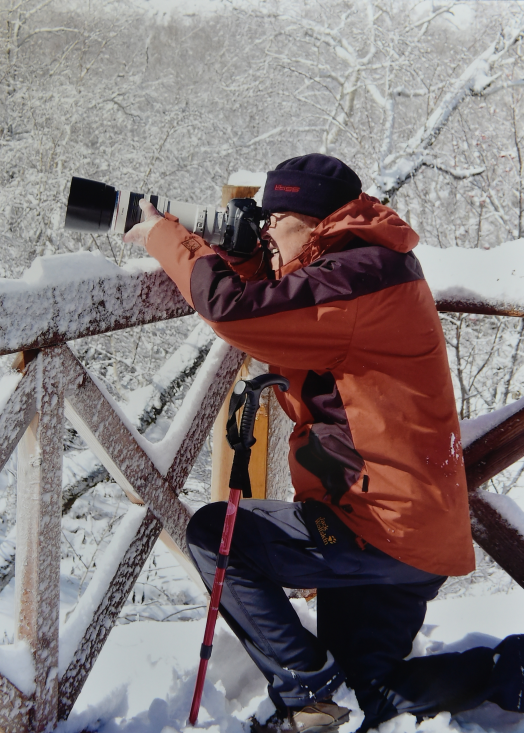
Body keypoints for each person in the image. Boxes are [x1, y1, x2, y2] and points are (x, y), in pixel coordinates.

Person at [125, 154, 524, 732]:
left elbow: (238, 313)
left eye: (275, 219)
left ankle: (307, 692)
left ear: (315, 223)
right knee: (375, 692)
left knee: (219, 535)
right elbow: (291, 325)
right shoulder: (372, 264)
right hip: (411, 527)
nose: (263, 230)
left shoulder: (354, 279)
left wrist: (164, 234)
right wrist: (243, 257)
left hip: (379, 526)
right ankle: (506, 671)